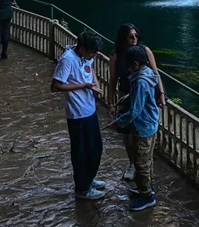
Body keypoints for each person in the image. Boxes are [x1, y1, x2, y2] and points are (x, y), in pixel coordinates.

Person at [108, 23, 167, 182]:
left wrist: (161, 93)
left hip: (144, 94)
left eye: (136, 36)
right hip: (126, 93)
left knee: (142, 131)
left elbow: (155, 73)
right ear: (123, 38)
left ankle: (143, 168)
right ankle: (133, 164)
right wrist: (111, 102)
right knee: (128, 134)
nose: (134, 39)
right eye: (130, 36)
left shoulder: (144, 51)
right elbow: (112, 80)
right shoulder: (116, 55)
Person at [52, 32, 106, 200]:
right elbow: (55, 85)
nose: (93, 56)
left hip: (89, 109)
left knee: (95, 148)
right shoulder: (68, 60)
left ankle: (89, 179)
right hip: (77, 113)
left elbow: (91, 68)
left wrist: (95, 85)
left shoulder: (86, 56)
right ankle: (82, 189)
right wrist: (83, 85)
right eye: (92, 53)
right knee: (82, 152)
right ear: (82, 48)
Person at [108, 44, 159, 211]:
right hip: (151, 125)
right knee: (147, 160)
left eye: (129, 66)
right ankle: (146, 188)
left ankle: (146, 196)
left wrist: (118, 122)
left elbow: (135, 111)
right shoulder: (149, 74)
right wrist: (129, 97)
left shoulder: (140, 82)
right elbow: (142, 96)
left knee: (141, 162)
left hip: (143, 127)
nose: (128, 69)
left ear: (136, 64)